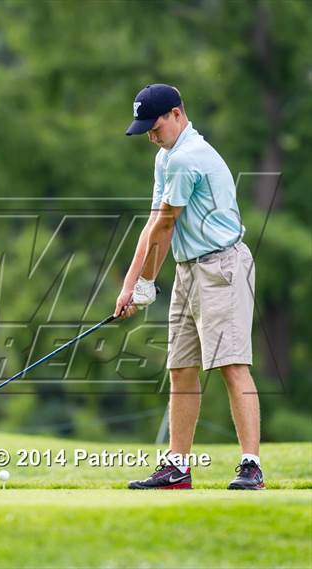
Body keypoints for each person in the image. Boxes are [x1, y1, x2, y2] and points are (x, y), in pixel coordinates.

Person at [115, 84, 264, 490]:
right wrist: (130, 286)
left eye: (155, 124)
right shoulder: (166, 158)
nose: (150, 134)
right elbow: (152, 224)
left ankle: (251, 465)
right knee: (181, 368)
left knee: (232, 365)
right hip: (187, 270)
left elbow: (166, 224)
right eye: (144, 127)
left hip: (221, 267)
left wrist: (147, 283)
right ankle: (177, 466)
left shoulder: (187, 158)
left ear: (177, 114)